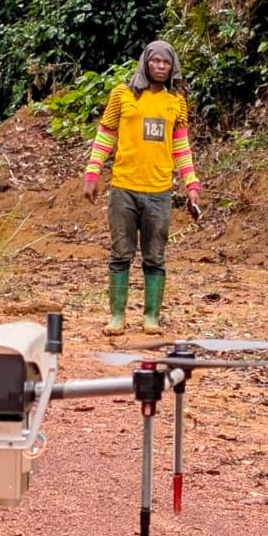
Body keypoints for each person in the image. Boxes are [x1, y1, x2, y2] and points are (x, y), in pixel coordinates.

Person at [82, 40, 204, 334]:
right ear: (145, 63)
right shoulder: (122, 96)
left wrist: (192, 183)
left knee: (155, 257)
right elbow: (106, 135)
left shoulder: (176, 102)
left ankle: (151, 317)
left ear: (172, 66)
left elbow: (181, 146)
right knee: (120, 254)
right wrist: (92, 172)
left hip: (159, 190)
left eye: (166, 63)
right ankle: (117, 317)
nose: (160, 67)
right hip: (124, 187)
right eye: (155, 62)